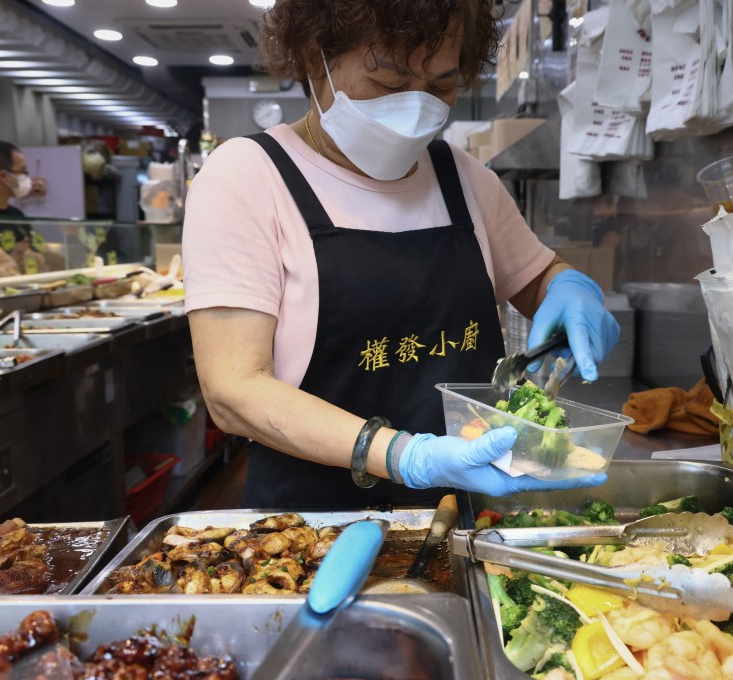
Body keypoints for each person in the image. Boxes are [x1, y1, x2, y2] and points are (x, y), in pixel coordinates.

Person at [183, 0, 621, 509]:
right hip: (313, 530)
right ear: (313, 58)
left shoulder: (465, 179)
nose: (416, 106)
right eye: (388, 83)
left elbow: (540, 276)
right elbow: (234, 391)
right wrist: (406, 456)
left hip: (469, 514)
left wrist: (570, 290)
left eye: (440, 84)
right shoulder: (246, 176)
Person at [0, 140, 47, 274]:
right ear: (4, 176)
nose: (27, 178)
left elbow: (36, 255)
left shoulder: (17, 215)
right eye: (23, 171)